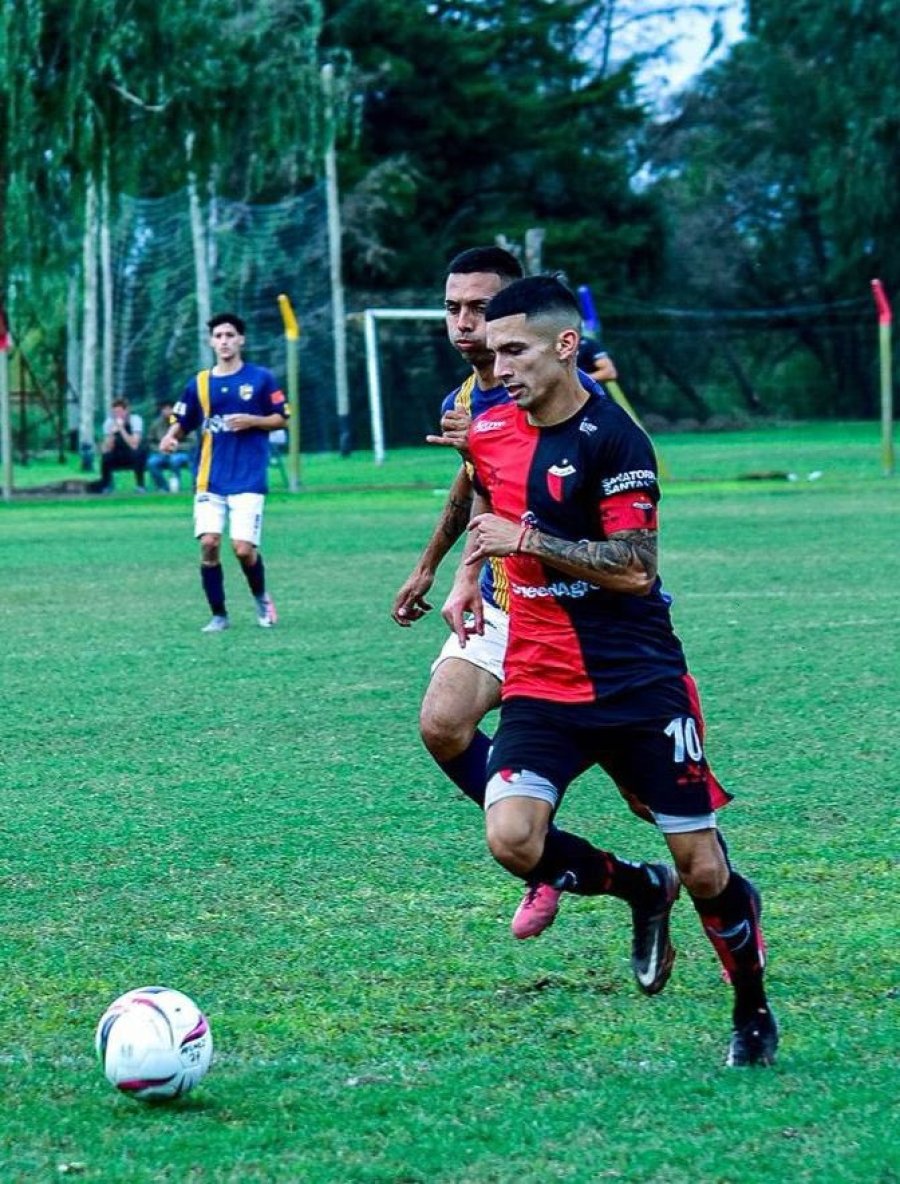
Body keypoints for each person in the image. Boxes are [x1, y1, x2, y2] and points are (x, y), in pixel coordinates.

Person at [454, 274, 775, 1067]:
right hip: (540, 681)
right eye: (493, 355)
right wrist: (461, 572)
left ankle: (751, 1010)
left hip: (637, 683)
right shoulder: (491, 428)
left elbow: (635, 567)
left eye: (516, 352)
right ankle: (636, 888)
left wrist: (528, 544)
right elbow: (479, 497)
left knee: (703, 866)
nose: (500, 371)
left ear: (567, 347)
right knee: (512, 838)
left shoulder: (618, 440)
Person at [391, 248, 669, 988]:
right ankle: (555, 865)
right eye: (452, 308)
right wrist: (447, 570)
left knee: (650, 800)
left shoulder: (553, 396)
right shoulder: (468, 395)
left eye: (479, 309)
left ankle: (710, 895)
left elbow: (614, 535)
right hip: (508, 600)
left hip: (584, 615)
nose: (464, 324)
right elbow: (477, 488)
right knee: (442, 723)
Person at [159, 312, 288, 632]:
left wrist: (252, 420)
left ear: (241, 339)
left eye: (230, 335)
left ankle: (261, 599)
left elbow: (282, 418)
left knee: (243, 549)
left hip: (248, 477)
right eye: (218, 336)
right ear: (211, 342)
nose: (224, 341)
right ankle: (219, 614)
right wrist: (170, 437)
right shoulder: (200, 383)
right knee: (209, 543)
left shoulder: (261, 379)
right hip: (209, 478)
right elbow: (182, 421)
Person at [94, 397, 148, 492]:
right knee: (106, 457)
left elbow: (134, 445)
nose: (117, 415)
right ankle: (107, 486)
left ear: (126, 410)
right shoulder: (109, 422)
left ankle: (140, 486)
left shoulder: (135, 420)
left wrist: (122, 429)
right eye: (114, 412)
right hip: (117, 452)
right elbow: (107, 448)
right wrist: (111, 433)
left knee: (138, 454)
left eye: (119, 412)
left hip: (132, 453)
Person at [148, 400, 193, 492]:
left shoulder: (183, 422)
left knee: (175, 460)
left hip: (180, 452)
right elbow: (150, 442)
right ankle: (163, 487)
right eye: (164, 409)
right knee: (152, 462)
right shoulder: (156, 424)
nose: (167, 411)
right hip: (162, 453)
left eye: (169, 409)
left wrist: (177, 447)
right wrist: (160, 449)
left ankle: (176, 487)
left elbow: (192, 442)